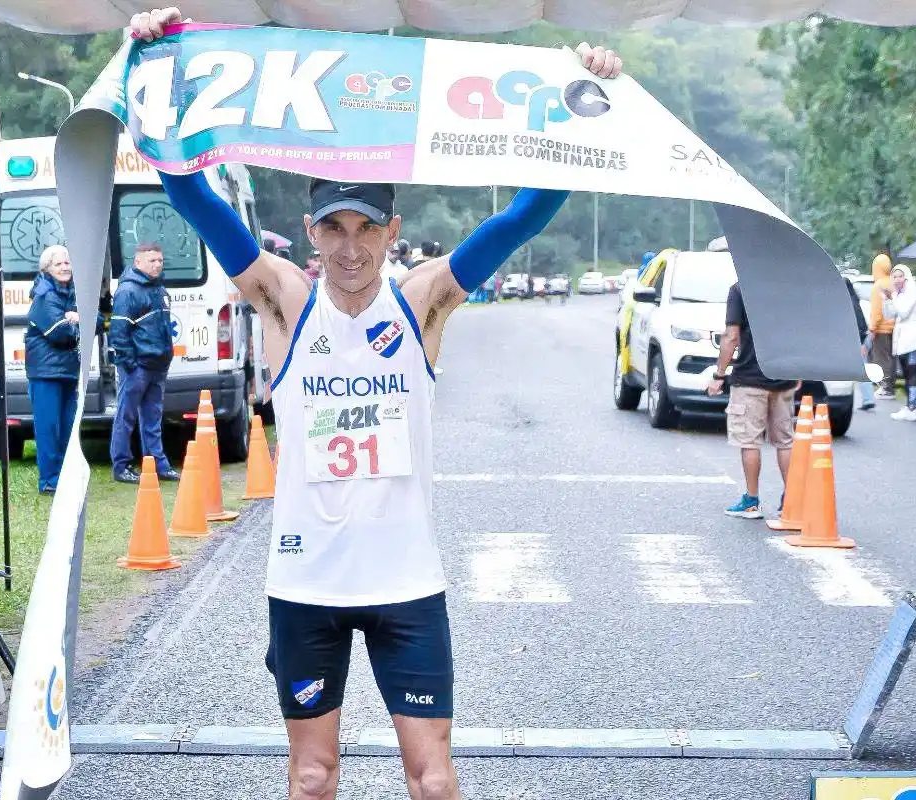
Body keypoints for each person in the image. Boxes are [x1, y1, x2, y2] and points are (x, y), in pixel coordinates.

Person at [131, 9, 622, 799]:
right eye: (333, 227)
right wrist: (159, 76)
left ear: (393, 231)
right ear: (310, 230)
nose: (350, 248)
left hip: (406, 583)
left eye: (367, 228)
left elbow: (522, 215)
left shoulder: (423, 302)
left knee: (432, 781)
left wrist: (582, 102)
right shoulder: (285, 302)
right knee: (314, 777)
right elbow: (194, 200)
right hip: (307, 586)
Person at [709, 281, 799, 519]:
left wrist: (719, 374)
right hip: (784, 376)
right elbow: (800, 331)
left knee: (750, 440)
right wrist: (798, 371)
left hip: (750, 378)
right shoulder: (789, 288)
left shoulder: (741, 289)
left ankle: (751, 501)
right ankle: (791, 500)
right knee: (785, 441)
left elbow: (731, 336)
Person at [109, 242, 180, 483]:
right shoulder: (128, 291)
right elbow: (118, 332)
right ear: (138, 262)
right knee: (126, 417)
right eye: (152, 260)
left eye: (160, 260)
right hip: (137, 366)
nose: (158, 264)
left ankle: (158, 464)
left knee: (153, 419)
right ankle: (121, 466)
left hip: (158, 364)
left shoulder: (158, 289)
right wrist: (130, 364)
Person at [25, 245, 82, 495]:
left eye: (68, 263)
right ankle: (49, 480)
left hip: (67, 370)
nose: (65, 268)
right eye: (58, 264)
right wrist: (75, 320)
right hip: (46, 373)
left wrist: (76, 318)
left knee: (68, 426)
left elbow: (98, 322)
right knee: (49, 429)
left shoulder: (71, 293)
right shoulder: (44, 295)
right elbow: (59, 332)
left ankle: (64, 478)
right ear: (46, 268)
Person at [883, 264, 916, 421]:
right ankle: (910, 406)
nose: (897, 279)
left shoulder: (913, 292)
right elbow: (889, 314)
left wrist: (892, 298)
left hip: (914, 338)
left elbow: (903, 312)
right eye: (894, 276)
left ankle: (912, 406)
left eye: (900, 276)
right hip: (903, 339)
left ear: (906, 277)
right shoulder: (898, 294)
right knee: (905, 371)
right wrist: (887, 301)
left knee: (912, 371)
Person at [843, 272, 874, 411]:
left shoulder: (849, 304)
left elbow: (859, 325)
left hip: (857, 340)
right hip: (861, 339)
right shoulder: (855, 301)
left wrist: (861, 344)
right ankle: (868, 399)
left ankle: (868, 399)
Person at [868, 252, 897, 399]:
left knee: (881, 358)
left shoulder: (878, 285)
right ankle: (890, 386)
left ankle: (886, 388)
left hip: (881, 329)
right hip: (894, 328)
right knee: (891, 359)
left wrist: (872, 328)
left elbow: (877, 311)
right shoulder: (893, 282)